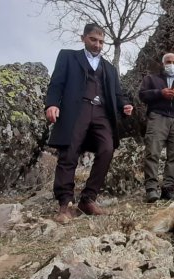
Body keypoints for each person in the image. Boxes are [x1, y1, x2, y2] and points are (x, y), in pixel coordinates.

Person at [44, 23, 134, 224]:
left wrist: (125, 106)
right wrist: (51, 104)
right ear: (83, 37)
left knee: (107, 149)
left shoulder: (109, 68)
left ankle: (88, 199)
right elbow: (56, 83)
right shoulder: (67, 56)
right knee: (69, 152)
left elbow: (118, 94)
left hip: (102, 113)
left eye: (101, 41)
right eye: (93, 40)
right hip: (76, 111)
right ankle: (64, 204)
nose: (98, 45)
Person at [139, 53, 174, 202]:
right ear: (163, 64)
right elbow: (142, 95)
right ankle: (151, 189)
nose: (171, 65)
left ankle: (168, 189)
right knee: (152, 152)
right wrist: (160, 93)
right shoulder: (151, 79)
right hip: (157, 117)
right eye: (168, 62)